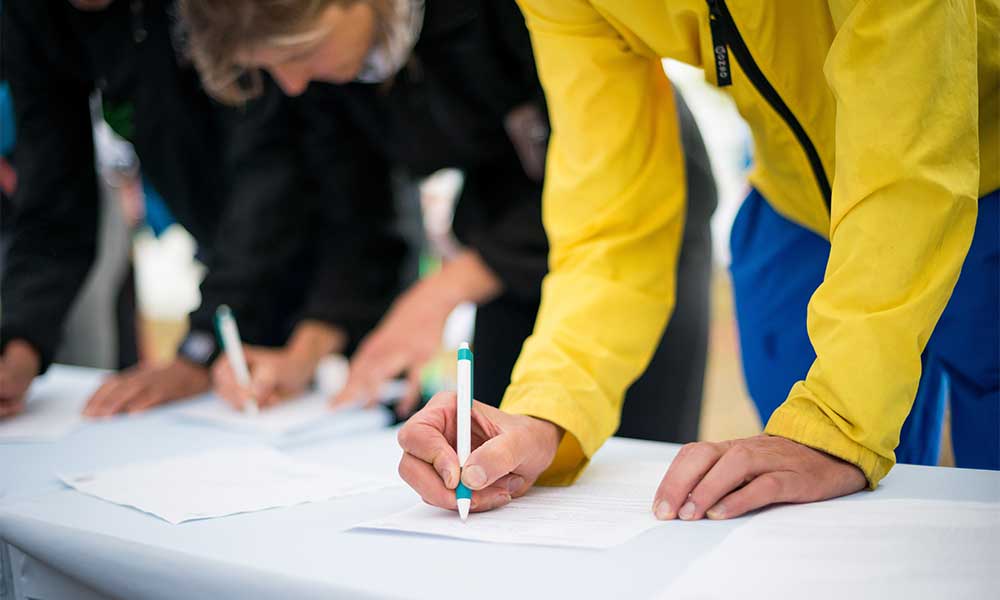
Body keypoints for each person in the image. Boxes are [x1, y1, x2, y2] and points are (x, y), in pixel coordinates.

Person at [393, 0, 999, 517]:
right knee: (823, 533)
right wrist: (541, 411)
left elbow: (912, 135)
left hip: (983, 168)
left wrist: (837, 424)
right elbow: (612, 217)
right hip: (795, 215)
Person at [181, 0, 718, 444]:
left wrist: (443, 291)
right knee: (492, 450)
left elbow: (613, 178)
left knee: (629, 461)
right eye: (270, 67)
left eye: (300, 52)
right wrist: (308, 349)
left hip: (641, 219)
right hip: (504, 243)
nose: (292, 83)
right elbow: (360, 211)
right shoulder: (326, 74)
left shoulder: (511, 13)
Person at [0, 0, 403, 418]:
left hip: (345, 242)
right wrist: (23, 336)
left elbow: (271, 171)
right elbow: (50, 184)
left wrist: (201, 346)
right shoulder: (33, 16)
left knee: (374, 403)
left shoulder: (234, 29)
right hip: (234, 258)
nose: (292, 81)